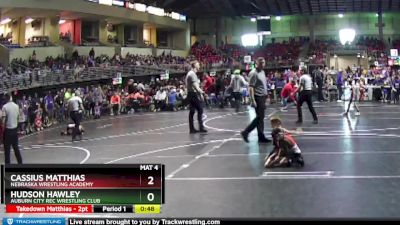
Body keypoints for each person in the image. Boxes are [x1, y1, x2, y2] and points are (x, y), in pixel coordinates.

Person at [241, 57, 271, 143]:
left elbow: (263, 85)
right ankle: (246, 132)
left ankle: (260, 136)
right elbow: (250, 87)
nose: (262, 64)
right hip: (258, 97)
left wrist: (266, 95)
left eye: (263, 63)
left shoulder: (262, 72)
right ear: (256, 63)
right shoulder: (253, 73)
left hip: (263, 96)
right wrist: (252, 100)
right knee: (259, 118)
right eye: (260, 63)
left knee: (260, 118)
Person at [186, 60, 207, 133]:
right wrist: (203, 93)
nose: (199, 66)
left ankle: (192, 129)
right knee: (200, 109)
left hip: (191, 94)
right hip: (193, 94)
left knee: (192, 111)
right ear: (194, 66)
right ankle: (201, 127)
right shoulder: (192, 74)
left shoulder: (191, 73)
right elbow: (196, 87)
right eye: (198, 65)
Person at [2, 94, 23, 164]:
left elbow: (3, 121)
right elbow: (18, 118)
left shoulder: (4, 107)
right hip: (15, 129)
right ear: (10, 98)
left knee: (7, 152)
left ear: (6, 99)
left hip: (8, 131)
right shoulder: (16, 106)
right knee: (16, 149)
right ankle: (20, 164)